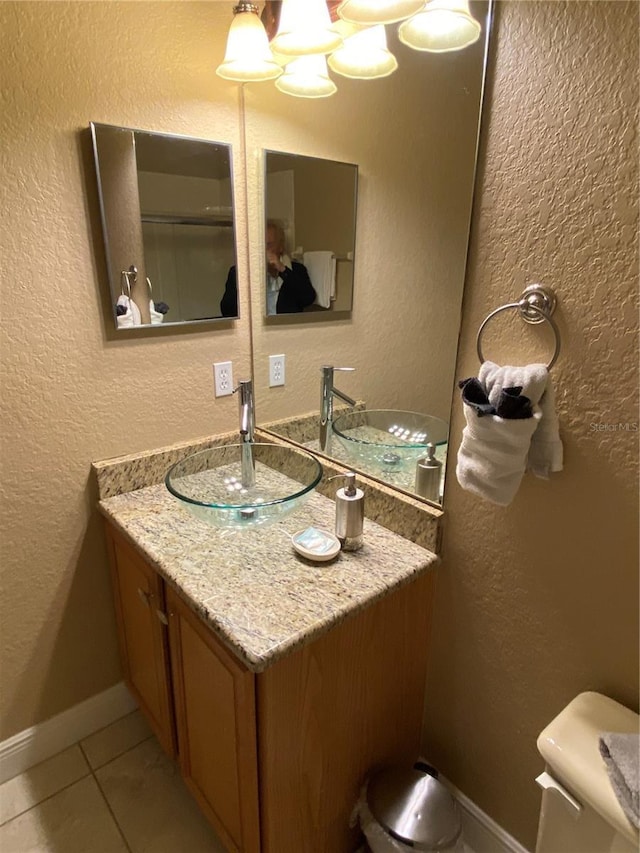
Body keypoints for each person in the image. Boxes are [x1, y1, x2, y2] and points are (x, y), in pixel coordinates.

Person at [220, 222, 316, 317]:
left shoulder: (296, 270)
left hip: (286, 329)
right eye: (259, 245)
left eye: (268, 245)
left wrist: (283, 270)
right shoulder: (238, 272)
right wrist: (245, 277)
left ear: (281, 247)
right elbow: (227, 311)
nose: (262, 250)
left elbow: (308, 299)